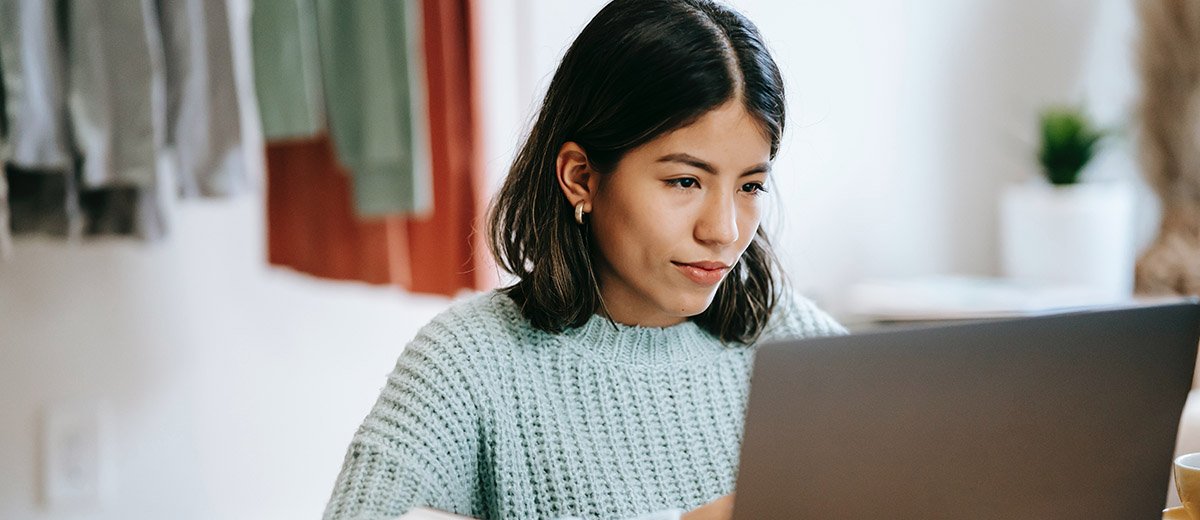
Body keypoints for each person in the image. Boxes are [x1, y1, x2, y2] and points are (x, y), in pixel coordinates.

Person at [322, 1, 845, 519]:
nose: (724, 230)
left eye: (751, 185)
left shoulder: (790, 339)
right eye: (685, 181)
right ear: (581, 177)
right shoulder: (471, 363)